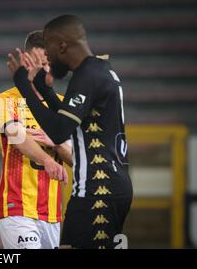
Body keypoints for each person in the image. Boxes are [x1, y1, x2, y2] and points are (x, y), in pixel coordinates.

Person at [11, 15, 133, 249]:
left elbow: (58, 131)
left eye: (48, 50)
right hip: (109, 185)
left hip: (98, 189)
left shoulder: (86, 77)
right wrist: (43, 90)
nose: (47, 57)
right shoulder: (101, 70)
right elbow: (74, 120)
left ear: (62, 46)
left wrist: (24, 87)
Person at [0, 30, 72, 249]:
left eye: (46, 64)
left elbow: (75, 157)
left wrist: (54, 141)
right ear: (25, 62)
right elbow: (18, 138)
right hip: (16, 205)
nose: (42, 69)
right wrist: (47, 160)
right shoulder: (4, 100)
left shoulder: (62, 105)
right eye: (37, 63)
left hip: (52, 211)